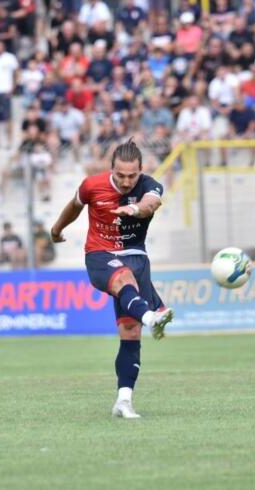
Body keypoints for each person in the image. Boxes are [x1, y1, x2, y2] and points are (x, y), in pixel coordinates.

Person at [50, 140, 194, 419]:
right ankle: (152, 316)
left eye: (132, 175)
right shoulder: (92, 185)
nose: (127, 181)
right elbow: (74, 206)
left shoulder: (150, 185)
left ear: (141, 170)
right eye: (120, 175)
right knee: (124, 278)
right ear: (111, 169)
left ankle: (123, 400)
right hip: (101, 254)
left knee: (130, 333)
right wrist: (56, 230)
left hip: (136, 256)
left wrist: (135, 209)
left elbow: (150, 205)